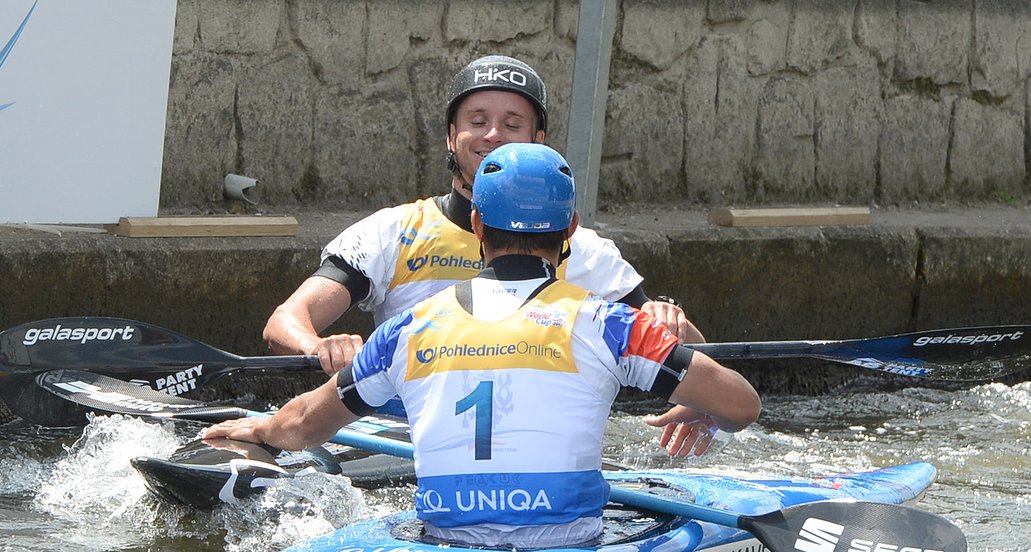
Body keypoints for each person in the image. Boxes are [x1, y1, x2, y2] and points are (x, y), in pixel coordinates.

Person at [205, 144, 760, 550]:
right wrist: (704, 411)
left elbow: (303, 426)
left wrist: (259, 430)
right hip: (569, 543)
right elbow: (742, 404)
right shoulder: (609, 323)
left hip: (443, 541)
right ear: (571, 228)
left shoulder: (406, 330)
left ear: (475, 223)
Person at [263, 55, 702, 377]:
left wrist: (671, 320)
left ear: (538, 140)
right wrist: (321, 346)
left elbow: (696, 354)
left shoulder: (583, 249)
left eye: (512, 124)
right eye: (477, 121)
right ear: (451, 137)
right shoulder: (392, 232)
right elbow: (285, 322)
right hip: (400, 437)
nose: (493, 136)